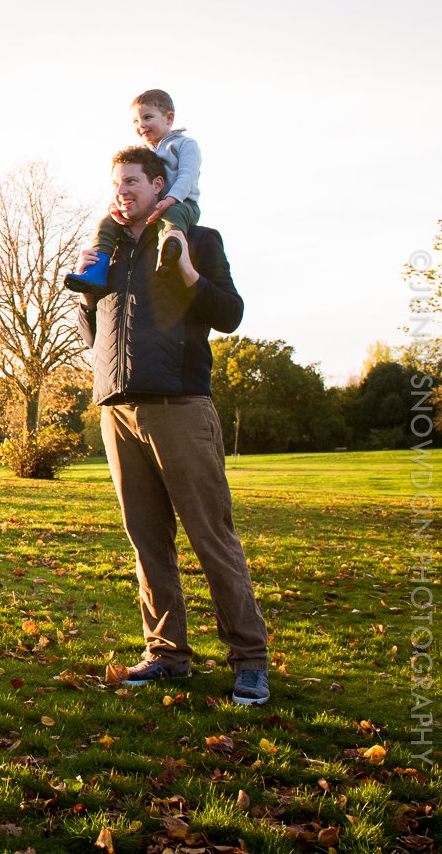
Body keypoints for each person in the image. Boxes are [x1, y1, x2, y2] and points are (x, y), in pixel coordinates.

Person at [73, 145, 272, 706]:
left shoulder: (199, 239)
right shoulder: (106, 249)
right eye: (116, 183)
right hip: (118, 412)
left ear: (161, 186)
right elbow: (90, 319)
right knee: (147, 541)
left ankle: (250, 661)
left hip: (180, 407)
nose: (122, 192)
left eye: (132, 182)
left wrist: (185, 271)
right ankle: (166, 654)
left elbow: (229, 314)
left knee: (212, 539)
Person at [65, 89, 202, 293]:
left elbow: (187, 176)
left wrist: (171, 199)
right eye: (136, 122)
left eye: (147, 117)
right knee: (107, 223)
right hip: (155, 206)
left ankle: (169, 255)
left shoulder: (184, 144)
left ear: (169, 118)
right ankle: (96, 269)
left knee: (172, 217)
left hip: (182, 203)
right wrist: (115, 206)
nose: (141, 125)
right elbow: (126, 184)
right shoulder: (143, 151)